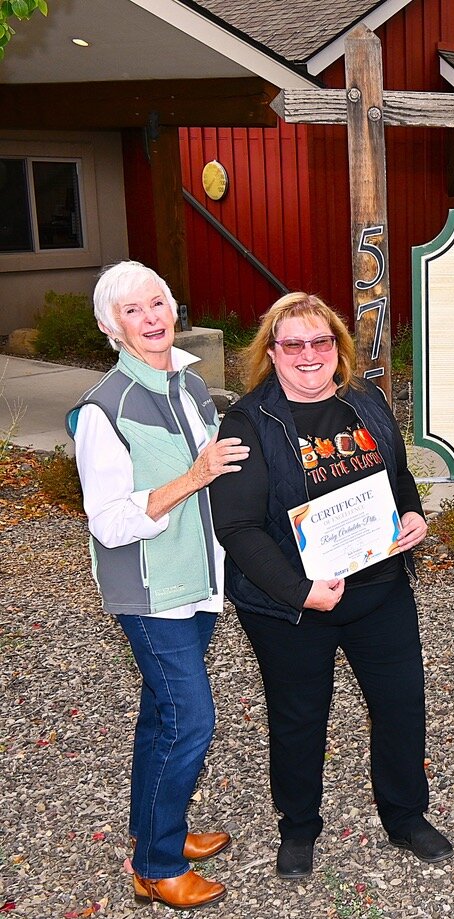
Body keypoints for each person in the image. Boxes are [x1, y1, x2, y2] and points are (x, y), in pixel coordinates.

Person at [209, 292, 452, 879]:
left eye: (321, 342)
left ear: (337, 349)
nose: (309, 354)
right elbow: (237, 526)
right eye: (293, 343)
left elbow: (397, 478)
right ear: (273, 351)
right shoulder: (248, 421)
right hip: (290, 608)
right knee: (298, 717)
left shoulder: (366, 401)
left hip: (380, 590)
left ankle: (405, 816)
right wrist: (299, 591)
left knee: (400, 706)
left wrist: (413, 515)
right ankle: (298, 828)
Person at [67, 261, 249, 909]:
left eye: (158, 303)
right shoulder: (103, 410)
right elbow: (109, 522)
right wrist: (195, 476)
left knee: (161, 716)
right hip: (148, 592)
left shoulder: (190, 384)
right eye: (133, 311)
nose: (151, 319)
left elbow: (221, 467)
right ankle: (155, 864)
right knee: (191, 719)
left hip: (198, 581)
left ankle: (156, 830)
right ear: (111, 327)